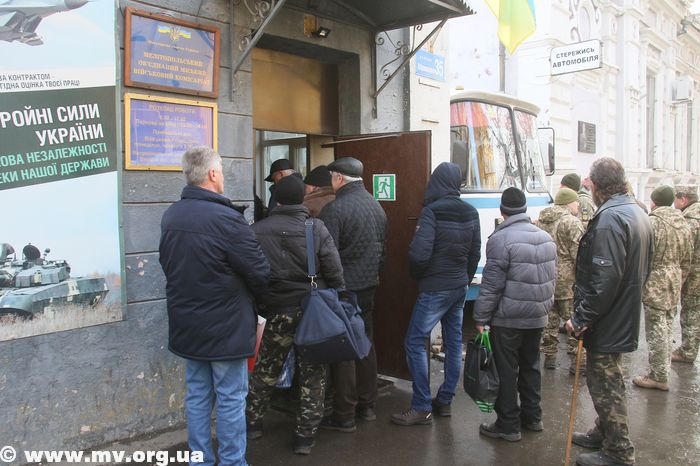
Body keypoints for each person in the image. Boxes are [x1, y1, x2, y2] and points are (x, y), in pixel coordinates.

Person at [159, 146, 270, 466]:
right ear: (212, 174)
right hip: (227, 328)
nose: (222, 176)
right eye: (220, 170)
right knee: (231, 398)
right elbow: (260, 273)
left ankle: (200, 460)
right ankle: (233, 461)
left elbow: (168, 264)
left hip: (188, 324)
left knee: (197, 396)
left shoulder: (172, 215)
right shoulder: (228, 219)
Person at [246, 175, 344, 455]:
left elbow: (251, 273)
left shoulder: (256, 230)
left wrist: (262, 302)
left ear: (277, 200)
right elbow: (334, 269)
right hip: (313, 311)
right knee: (313, 373)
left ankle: (252, 424)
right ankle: (305, 436)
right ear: (302, 198)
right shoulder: (316, 227)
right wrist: (338, 295)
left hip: (278, 309)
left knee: (267, 368)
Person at [566, 157, 653, 466]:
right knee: (609, 378)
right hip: (621, 313)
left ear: (596, 185)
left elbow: (604, 279)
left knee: (605, 384)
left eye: (590, 183)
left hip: (608, 318)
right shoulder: (636, 211)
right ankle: (603, 432)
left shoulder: (610, 218)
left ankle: (619, 451)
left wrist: (581, 318)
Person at [391, 162, 481, 426]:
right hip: (459, 286)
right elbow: (475, 252)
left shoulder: (432, 211)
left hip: (435, 287)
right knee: (453, 343)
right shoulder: (471, 212)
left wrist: (419, 276)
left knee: (414, 341)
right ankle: (445, 400)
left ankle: (421, 406)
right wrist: (464, 278)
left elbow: (419, 254)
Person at [473, 187, 556, 442]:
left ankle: (508, 425)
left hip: (509, 318)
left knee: (506, 370)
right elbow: (551, 279)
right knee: (531, 366)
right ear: (524, 208)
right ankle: (533, 418)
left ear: (503, 210)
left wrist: (480, 317)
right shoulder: (545, 237)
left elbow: (492, 285)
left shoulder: (500, 239)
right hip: (538, 316)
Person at [319, 156, 387, 432]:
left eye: (331, 178)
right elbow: (383, 251)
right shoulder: (376, 206)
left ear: (338, 178)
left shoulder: (334, 210)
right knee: (365, 342)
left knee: (344, 350)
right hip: (369, 286)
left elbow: (327, 255)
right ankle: (367, 405)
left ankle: (344, 413)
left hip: (344, 289)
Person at [633, 185, 692, 391]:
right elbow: (688, 257)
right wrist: (681, 277)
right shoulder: (682, 222)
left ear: (654, 202)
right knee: (667, 324)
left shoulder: (652, 223)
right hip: (674, 278)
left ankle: (658, 376)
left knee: (656, 328)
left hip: (655, 279)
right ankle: (662, 370)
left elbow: (642, 254)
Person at [537, 187, 585, 373]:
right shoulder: (571, 222)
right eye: (576, 202)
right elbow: (579, 254)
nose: (578, 205)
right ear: (568, 203)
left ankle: (549, 357)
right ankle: (577, 362)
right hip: (568, 282)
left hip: (546, 278)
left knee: (550, 321)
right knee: (573, 321)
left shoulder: (541, 221)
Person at [672, 184, 700, 364]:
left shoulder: (690, 220)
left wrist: (680, 278)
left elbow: (686, 253)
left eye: (676, 198)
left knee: (691, 313)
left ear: (683, 199)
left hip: (694, 276)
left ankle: (688, 351)